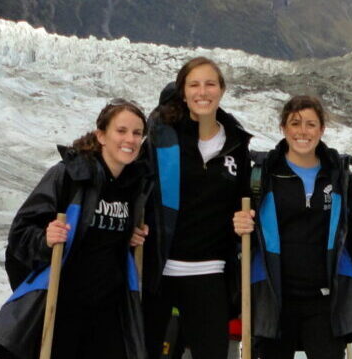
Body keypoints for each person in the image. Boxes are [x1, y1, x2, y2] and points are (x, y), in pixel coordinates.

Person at [4, 99, 153, 358]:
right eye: (121, 131)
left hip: (108, 309)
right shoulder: (70, 174)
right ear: (101, 136)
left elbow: (103, 233)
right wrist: (45, 239)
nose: (130, 139)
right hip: (65, 305)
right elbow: (20, 232)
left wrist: (127, 236)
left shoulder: (134, 183)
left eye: (137, 133)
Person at [231, 96, 352, 358]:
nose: (303, 132)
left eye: (311, 124)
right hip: (275, 296)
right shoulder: (263, 174)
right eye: (295, 123)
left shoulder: (337, 174)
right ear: (283, 128)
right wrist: (239, 223)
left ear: (321, 129)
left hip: (324, 298)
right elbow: (240, 223)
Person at [142, 57, 253, 359]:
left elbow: (243, 200)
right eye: (194, 85)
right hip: (160, 273)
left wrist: (245, 219)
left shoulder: (236, 144)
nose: (202, 92)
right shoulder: (163, 136)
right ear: (183, 91)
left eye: (210, 84)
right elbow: (136, 187)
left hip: (210, 274)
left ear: (221, 90)